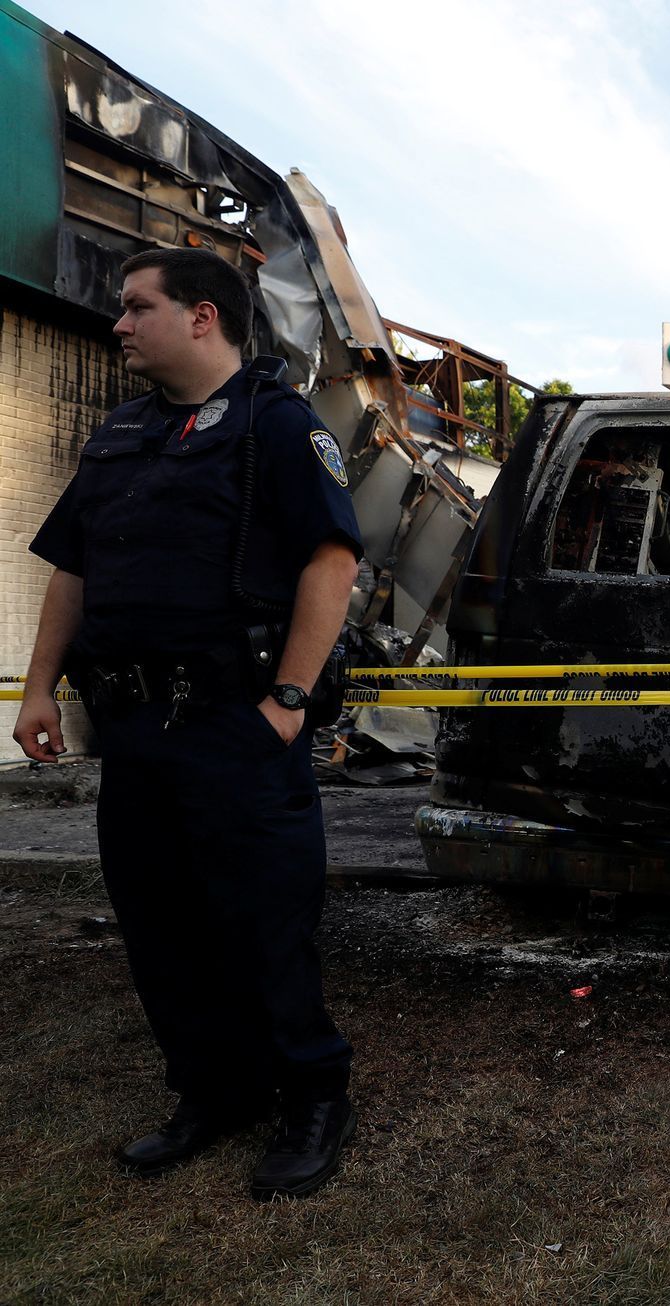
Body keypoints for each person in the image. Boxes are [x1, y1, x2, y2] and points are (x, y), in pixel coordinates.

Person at [11, 247, 363, 1201]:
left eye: (135, 307)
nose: (118, 325)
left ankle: (313, 1095)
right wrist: (42, 688)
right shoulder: (118, 431)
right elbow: (74, 569)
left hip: (232, 726)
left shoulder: (276, 424)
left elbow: (331, 563)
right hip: (131, 732)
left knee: (264, 919)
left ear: (201, 316)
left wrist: (286, 705)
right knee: (159, 921)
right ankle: (215, 1091)